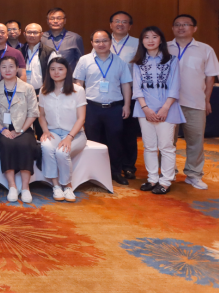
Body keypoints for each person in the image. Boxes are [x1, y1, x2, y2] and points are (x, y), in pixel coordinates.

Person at [168, 14, 219, 190]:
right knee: (167, 141)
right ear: (172, 28)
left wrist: (207, 100)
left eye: (185, 24)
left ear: (194, 28)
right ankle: (168, 172)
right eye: (177, 24)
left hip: (195, 102)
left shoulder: (205, 49)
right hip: (168, 104)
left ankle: (193, 174)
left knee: (195, 141)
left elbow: (210, 77)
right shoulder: (164, 47)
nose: (181, 27)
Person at [73, 31, 134, 185]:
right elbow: (78, 84)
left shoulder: (119, 62)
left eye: (104, 40)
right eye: (97, 41)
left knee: (115, 141)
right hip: (91, 107)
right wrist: (78, 106)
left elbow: (126, 85)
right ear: (92, 43)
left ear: (110, 42)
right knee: (92, 141)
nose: (101, 44)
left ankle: (115, 172)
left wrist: (127, 105)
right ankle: (94, 173)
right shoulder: (84, 60)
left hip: (114, 108)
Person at [132, 26, 185, 195]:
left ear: (161, 40)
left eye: (154, 37)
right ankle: (152, 178)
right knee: (149, 146)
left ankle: (166, 181)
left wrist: (165, 108)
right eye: (146, 37)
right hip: (144, 110)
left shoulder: (172, 60)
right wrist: (145, 109)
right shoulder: (138, 62)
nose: (150, 40)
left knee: (166, 147)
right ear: (142, 41)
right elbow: (137, 88)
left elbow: (175, 86)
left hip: (167, 109)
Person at [0, 56, 39, 203]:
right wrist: (2, 130)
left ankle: (25, 187)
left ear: (17, 68)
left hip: (23, 128)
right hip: (1, 128)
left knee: (25, 144)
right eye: (3, 67)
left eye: (11, 66)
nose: (7, 70)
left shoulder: (28, 88)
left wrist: (21, 130)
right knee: (7, 144)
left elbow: (33, 113)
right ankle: (12, 186)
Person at [38, 57, 87, 202]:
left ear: (67, 71)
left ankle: (67, 186)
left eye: (60, 69)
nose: (56, 72)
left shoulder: (77, 90)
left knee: (61, 152)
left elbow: (81, 118)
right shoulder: (44, 90)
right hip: (53, 132)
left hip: (75, 134)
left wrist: (69, 137)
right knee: (46, 147)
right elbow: (41, 115)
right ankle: (56, 186)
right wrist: (45, 131)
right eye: (52, 69)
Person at [110, 11, 141, 178]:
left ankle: (129, 166)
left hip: (130, 92)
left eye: (124, 22)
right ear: (111, 25)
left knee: (128, 132)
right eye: (116, 21)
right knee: (111, 131)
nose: (120, 24)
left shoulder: (137, 43)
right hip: (108, 93)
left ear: (130, 26)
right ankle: (110, 164)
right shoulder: (103, 41)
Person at [21, 23, 55, 93]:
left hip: (42, 91)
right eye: (29, 32)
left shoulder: (49, 52)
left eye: (35, 32)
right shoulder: (19, 52)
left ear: (41, 34)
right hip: (22, 91)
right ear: (24, 34)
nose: (32, 35)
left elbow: (54, 73)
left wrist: (46, 91)